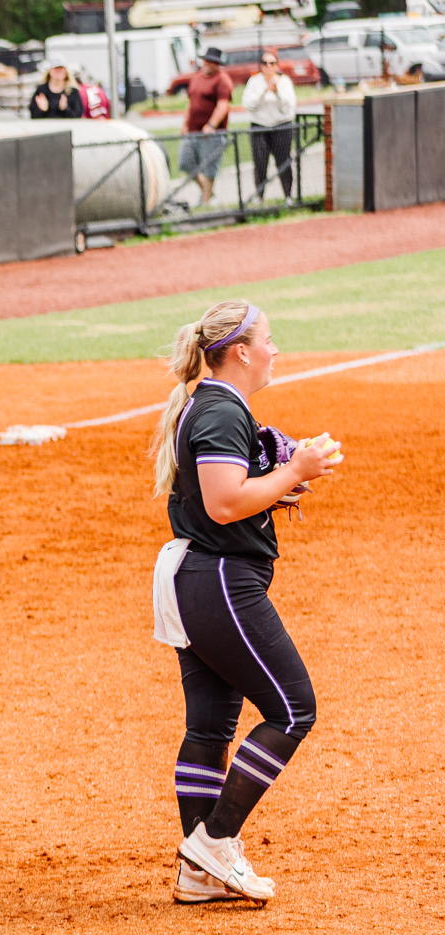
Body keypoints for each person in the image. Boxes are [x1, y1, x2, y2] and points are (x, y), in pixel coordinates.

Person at [149, 300, 337, 903]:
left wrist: (279, 486)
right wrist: (296, 469)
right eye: (269, 340)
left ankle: (198, 874)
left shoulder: (211, 405)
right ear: (241, 352)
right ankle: (216, 840)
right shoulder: (221, 410)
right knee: (293, 710)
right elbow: (225, 503)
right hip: (221, 580)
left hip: (199, 576)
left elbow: (224, 496)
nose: (276, 350)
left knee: (209, 728)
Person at [179, 48, 234, 207]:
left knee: (209, 169)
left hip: (211, 134)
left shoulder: (222, 80)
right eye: (206, 60)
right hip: (192, 131)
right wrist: (185, 124)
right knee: (185, 163)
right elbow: (191, 103)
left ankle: (205, 203)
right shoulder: (197, 78)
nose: (208, 63)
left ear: (218, 64)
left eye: (212, 61)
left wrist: (211, 125)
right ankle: (208, 192)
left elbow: (223, 106)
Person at [243, 51, 299, 202]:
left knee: (283, 161)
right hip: (260, 126)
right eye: (265, 63)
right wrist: (263, 92)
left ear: (277, 65)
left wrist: (277, 92)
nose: (269, 67)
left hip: (281, 126)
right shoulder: (254, 82)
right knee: (260, 163)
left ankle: (288, 196)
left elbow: (288, 107)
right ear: (260, 66)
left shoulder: (284, 82)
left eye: (272, 63)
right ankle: (259, 196)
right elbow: (249, 105)